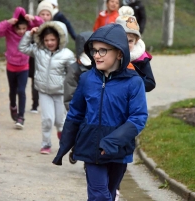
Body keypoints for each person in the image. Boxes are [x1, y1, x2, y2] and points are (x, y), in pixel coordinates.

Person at [52, 23, 148, 200]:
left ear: (119, 52)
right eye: (94, 50)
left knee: (109, 194)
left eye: (103, 51)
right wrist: (65, 145)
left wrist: (112, 142)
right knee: (100, 196)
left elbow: (138, 118)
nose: (96, 55)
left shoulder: (134, 82)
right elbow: (76, 113)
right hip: (91, 148)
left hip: (119, 150)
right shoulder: (87, 79)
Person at [18, 21, 75, 154]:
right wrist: (29, 34)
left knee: (60, 121)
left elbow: (73, 75)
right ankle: (46, 144)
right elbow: (22, 47)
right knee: (47, 119)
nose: (49, 42)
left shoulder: (67, 54)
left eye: (53, 39)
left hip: (60, 92)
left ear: (60, 38)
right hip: (44, 91)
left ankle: (63, 138)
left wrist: (72, 91)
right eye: (46, 40)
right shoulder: (38, 50)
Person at [0, 7, 44, 129]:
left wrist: (33, 18)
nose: (21, 31)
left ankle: (21, 117)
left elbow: (42, 24)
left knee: (21, 91)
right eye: (19, 28)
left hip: (24, 66)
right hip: (11, 66)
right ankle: (13, 106)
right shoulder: (9, 31)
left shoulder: (29, 32)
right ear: (14, 27)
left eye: (24, 28)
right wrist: (8, 22)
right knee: (13, 91)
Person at [63, 31, 93, 167]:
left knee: (93, 137)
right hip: (80, 109)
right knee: (80, 134)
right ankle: (75, 149)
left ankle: (89, 163)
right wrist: (73, 109)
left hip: (95, 109)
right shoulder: (75, 69)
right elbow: (69, 91)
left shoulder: (100, 66)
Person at [116, 6, 155, 92]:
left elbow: (150, 83)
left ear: (136, 41)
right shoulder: (110, 54)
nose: (126, 44)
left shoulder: (141, 58)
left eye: (130, 41)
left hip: (134, 99)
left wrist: (133, 83)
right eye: (122, 40)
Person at [29, 1, 53, 113]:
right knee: (35, 80)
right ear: (38, 15)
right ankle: (35, 103)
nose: (45, 17)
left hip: (49, 58)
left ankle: (48, 102)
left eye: (47, 14)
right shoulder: (34, 28)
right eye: (42, 14)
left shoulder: (54, 28)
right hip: (36, 58)